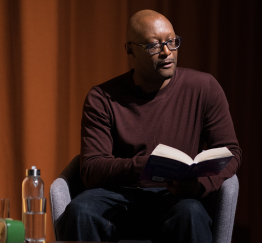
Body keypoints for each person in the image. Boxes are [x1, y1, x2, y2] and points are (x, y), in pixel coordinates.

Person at [56, 9, 241, 243]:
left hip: (176, 196)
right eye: (154, 46)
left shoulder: (204, 87)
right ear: (130, 50)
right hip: (118, 193)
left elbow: (231, 151)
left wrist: (200, 186)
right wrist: (147, 166)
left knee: (191, 214)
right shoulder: (102, 97)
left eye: (172, 42)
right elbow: (91, 169)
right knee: (80, 212)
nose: (167, 52)